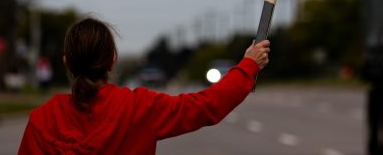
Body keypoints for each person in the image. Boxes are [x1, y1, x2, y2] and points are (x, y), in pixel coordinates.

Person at [18, 17, 270, 154]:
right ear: (112, 60)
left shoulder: (43, 120)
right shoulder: (137, 107)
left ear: (66, 62)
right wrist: (248, 65)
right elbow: (205, 106)